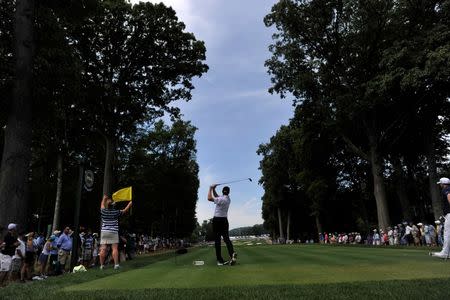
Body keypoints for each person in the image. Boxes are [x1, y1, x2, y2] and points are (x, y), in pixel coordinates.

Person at [99, 195, 132, 270]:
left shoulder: (103, 211)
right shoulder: (116, 212)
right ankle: (116, 265)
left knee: (103, 248)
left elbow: (102, 205)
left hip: (104, 232)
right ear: (113, 206)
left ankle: (101, 266)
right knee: (114, 248)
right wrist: (129, 204)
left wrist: (104, 199)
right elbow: (124, 211)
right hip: (113, 232)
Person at [207, 184, 237, 266]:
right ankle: (232, 254)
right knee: (226, 239)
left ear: (222, 192)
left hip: (217, 220)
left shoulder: (221, 199)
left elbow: (209, 198)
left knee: (217, 241)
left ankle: (220, 260)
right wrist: (214, 189)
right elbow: (217, 197)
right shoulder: (227, 199)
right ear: (228, 192)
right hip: (224, 221)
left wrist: (210, 188)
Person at [431, 177, 450, 258]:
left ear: (443, 184)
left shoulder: (446, 189)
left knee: (447, 233)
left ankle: (445, 253)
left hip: (449, 214)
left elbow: (449, 195)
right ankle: (448, 253)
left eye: (440, 184)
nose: (440, 185)